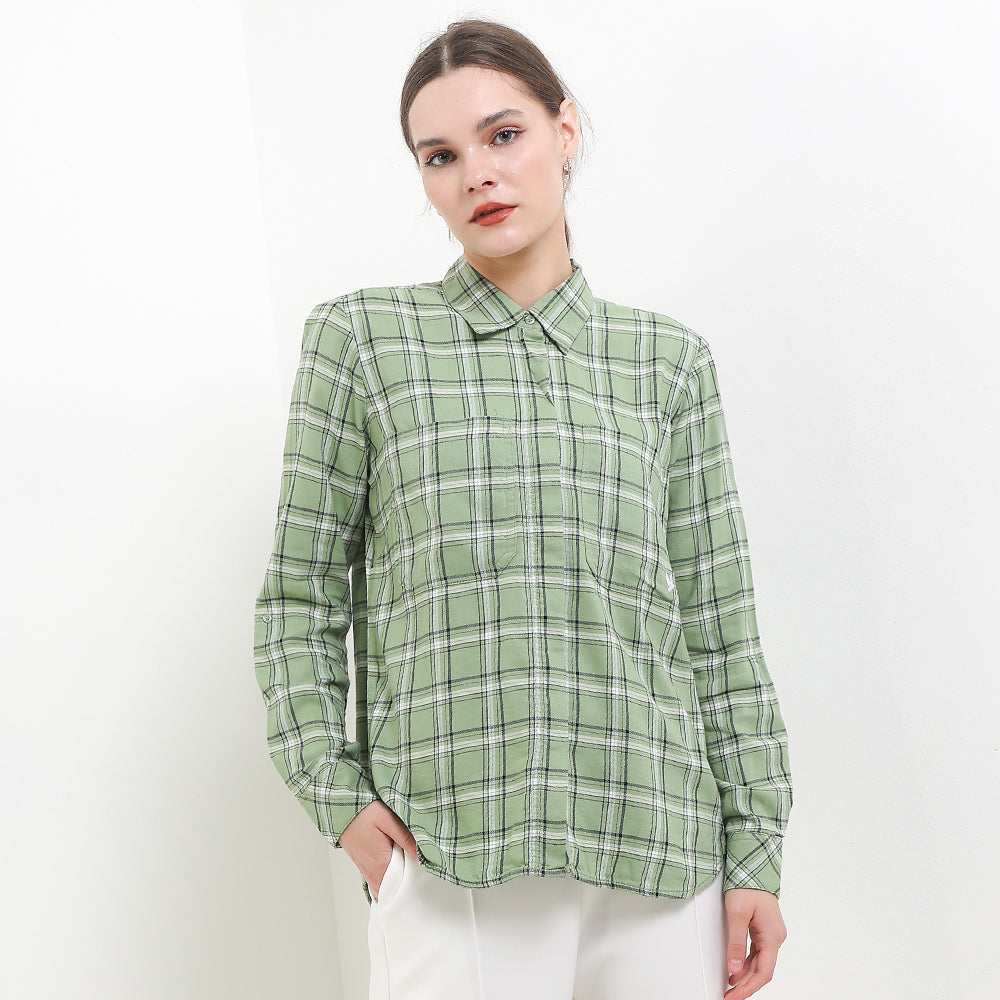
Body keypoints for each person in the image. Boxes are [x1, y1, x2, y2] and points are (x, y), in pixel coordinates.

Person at [254, 17, 792, 1000]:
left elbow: (718, 629)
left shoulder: (665, 363)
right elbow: (298, 600)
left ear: (565, 130)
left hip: (658, 856)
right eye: (440, 155)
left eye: (503, 135)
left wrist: (754, 849)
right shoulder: (363, 342)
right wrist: (334, 793)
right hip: (452, 855)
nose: (478, 175)